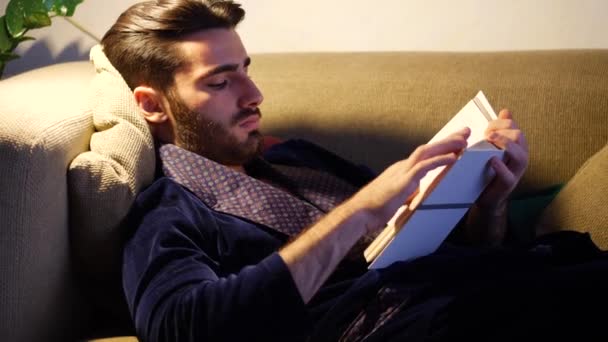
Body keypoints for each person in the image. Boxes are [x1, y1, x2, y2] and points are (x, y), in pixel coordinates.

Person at [103, 1, 608, 341]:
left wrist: (490, 201)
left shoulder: (297, 159)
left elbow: (451, 246)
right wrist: (359, 213)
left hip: (489, 286)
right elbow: (179, 325)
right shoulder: (168, 212)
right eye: (219, 82)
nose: (254, 96)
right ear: (151, 105)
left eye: (246, 69)